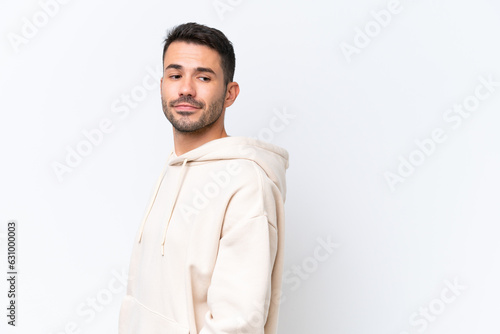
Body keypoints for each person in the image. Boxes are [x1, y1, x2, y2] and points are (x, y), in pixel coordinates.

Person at [118, 22, 289, 334]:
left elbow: (238, 323)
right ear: (161, 85)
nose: (186, 88)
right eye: (175, 75)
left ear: (229, 94)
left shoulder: (247, 183)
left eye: (203, 77)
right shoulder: (172, 169)